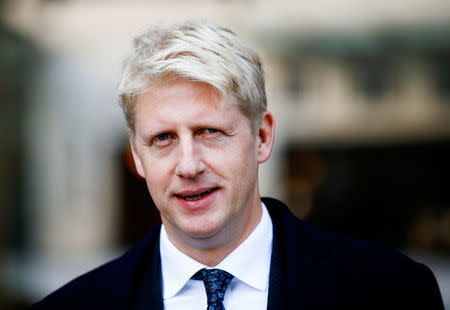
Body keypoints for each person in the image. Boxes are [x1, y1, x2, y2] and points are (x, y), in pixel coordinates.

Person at [32, 21, 444, 310]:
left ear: (262, 137)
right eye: (163, 139)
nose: (188, 165)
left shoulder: (392, 292)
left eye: (210, 131)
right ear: (137, 157)